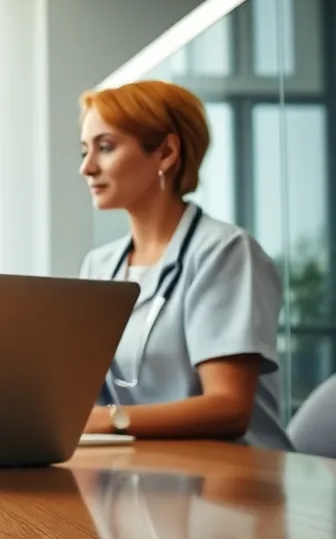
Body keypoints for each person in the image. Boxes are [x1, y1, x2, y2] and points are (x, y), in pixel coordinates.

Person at [76, 79, 287, 449]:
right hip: (146, 467)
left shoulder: (224, 252)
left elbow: (228, 407)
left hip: (236, 472)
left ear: (166, 153)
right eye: (84, 151)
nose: (87, 168)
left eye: (105, 147)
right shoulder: (99, 266)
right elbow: (78, 394)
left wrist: (107, 420)